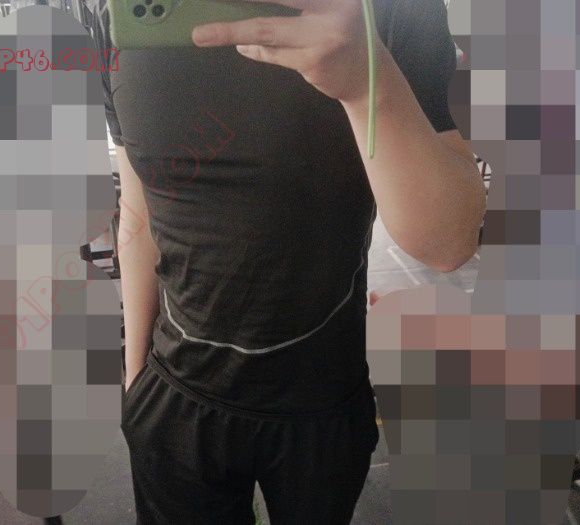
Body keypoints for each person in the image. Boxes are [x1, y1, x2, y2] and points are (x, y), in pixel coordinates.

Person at [92, 0, 486, 523]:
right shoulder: (128, 16)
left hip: (322, 397)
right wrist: (135, 383)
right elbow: (139, 213)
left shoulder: (387, 8)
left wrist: (366, 82)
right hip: (176, 393)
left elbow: (448, 244)